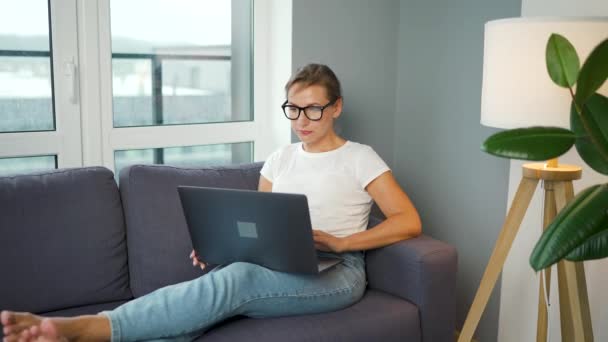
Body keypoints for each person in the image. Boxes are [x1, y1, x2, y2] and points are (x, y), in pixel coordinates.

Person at [1, 63, 421, 342]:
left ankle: (88, 328)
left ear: (336, 107)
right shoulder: (280, 157)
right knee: (215, 287)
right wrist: (223, 246)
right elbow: (262, 226)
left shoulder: (359, 157)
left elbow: (409, 220)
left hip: (338, 272)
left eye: (313, 110)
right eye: (293, 110)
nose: (301, 122)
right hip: (281, 262)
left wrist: (343, 244)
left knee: (235, 282)